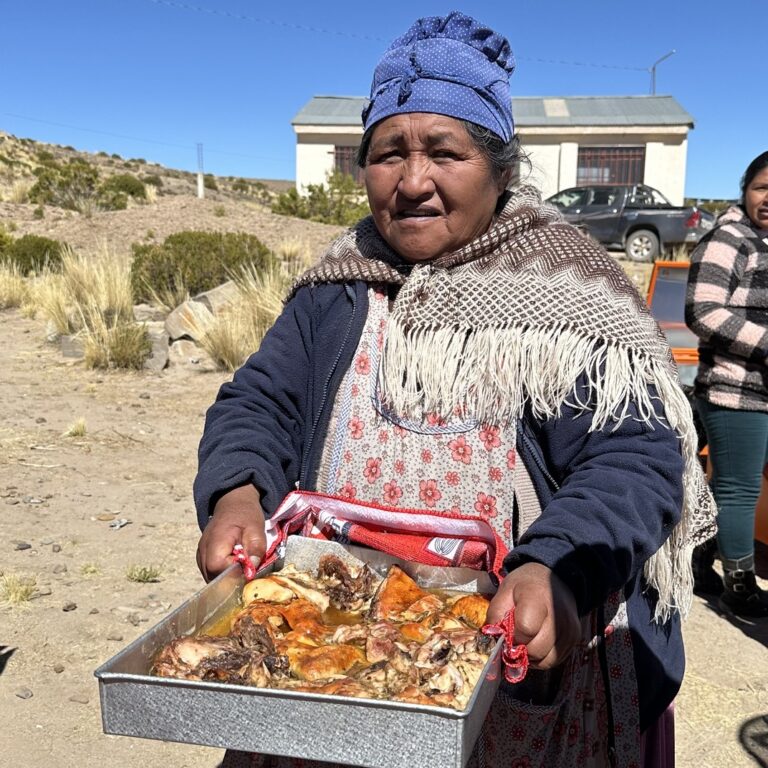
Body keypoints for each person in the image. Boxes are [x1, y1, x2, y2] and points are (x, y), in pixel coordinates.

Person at [194, 12, 716, 767]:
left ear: (502, 169)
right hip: (340, 643)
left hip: (514, 663)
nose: (412, 182)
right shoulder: (337, 285)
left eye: (446, 151)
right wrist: (238, 491)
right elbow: (260, 402)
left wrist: (555, 567)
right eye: (385, 155)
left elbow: (635, 457)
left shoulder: (568, 292)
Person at [685, 151, 768, 618]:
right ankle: (740, 585)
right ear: (745, 190)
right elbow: (703, 310)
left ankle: (698, 559)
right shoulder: (730, 239)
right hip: (735, 389)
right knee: (739, 489)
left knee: (734, 487)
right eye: (761, 187)